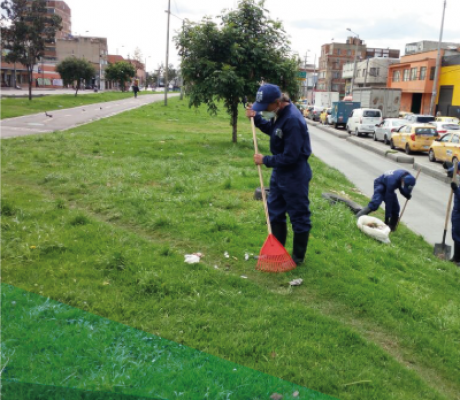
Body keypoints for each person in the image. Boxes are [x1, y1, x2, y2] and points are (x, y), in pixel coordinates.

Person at [246, 83, 312, 266]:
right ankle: (277, 252)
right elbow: (274, 131)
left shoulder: (293, 120)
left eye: (264, 108)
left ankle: (297, 259)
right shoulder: (279, 114)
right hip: (280, 173)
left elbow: (291, 156)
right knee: (275, 212)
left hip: (295, 174)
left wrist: (265, 160)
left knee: (299, 216)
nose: (264, 110)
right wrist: (256, 118)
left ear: (276, 102)